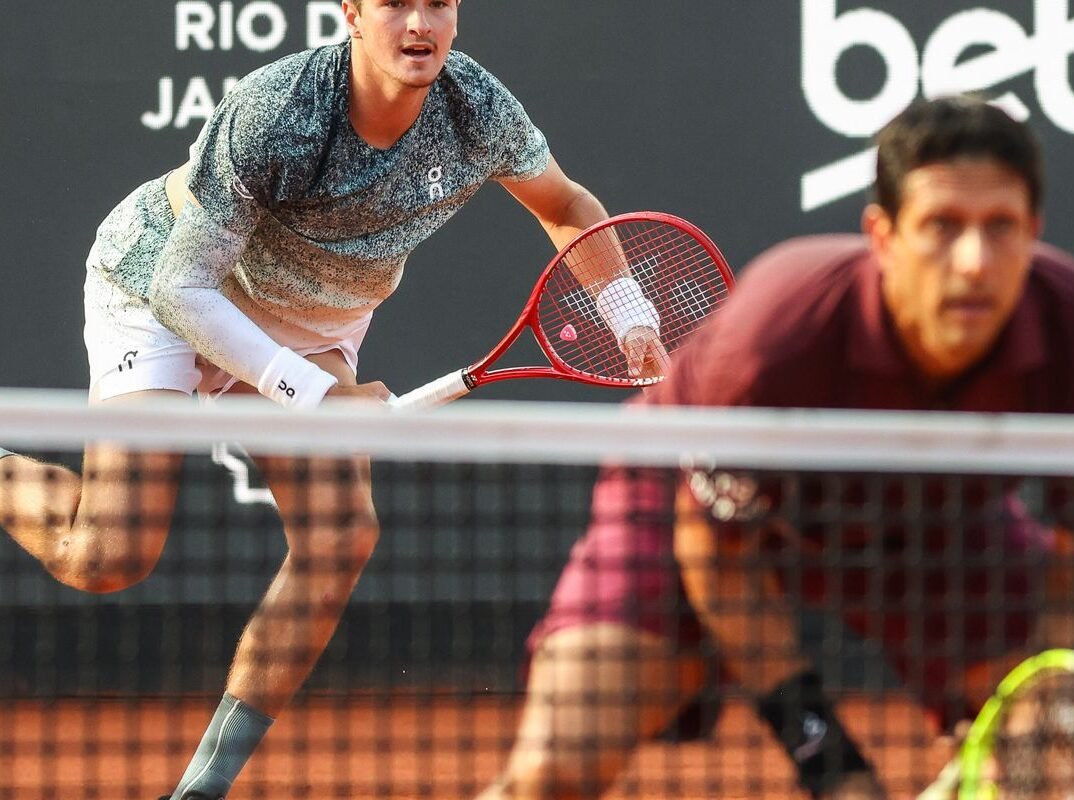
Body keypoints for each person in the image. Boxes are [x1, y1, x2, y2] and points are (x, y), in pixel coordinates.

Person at [0, 2, 667, 799]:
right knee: (107, 557)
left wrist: (631, 320)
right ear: (351, 12)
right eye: (394, 4)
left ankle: (199, 792)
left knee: (341, 534)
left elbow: (565, 206)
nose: (418, 24)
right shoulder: (281, 109)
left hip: (315, 315)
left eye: (439, 5)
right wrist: (314, 395)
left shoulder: (478, 108)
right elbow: (182, 288)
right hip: (165, 287)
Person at [480, 95, 1074, 800]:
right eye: (942, 226)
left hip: (934, 525)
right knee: (557, 768)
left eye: (1000, 227)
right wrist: (827, 759)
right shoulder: (776, 342)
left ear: (1034, 229)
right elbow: (717, 555)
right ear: (882, 235)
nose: (974, 263)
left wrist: (1057, 695)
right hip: (689, 505)